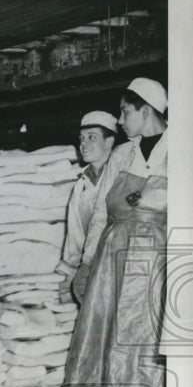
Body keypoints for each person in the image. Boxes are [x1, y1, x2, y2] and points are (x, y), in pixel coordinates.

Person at [65, 78, 168, 387]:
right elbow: (100, 213)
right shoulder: (123, 153)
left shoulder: (186, 147)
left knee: (147, 327)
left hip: (159, 257)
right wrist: (86, 263)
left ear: (146, 110)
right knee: (106, 331)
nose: (120, 121)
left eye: (125, 112)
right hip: (113, 255)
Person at [56, 111, 119, 303]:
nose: (83, 144)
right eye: (81, 138)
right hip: (91, 267)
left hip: (117, 265)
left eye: (92, 137)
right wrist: (69, 273)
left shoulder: (121, 178)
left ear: (109, 142)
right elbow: (75, 236)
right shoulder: (81, 184)